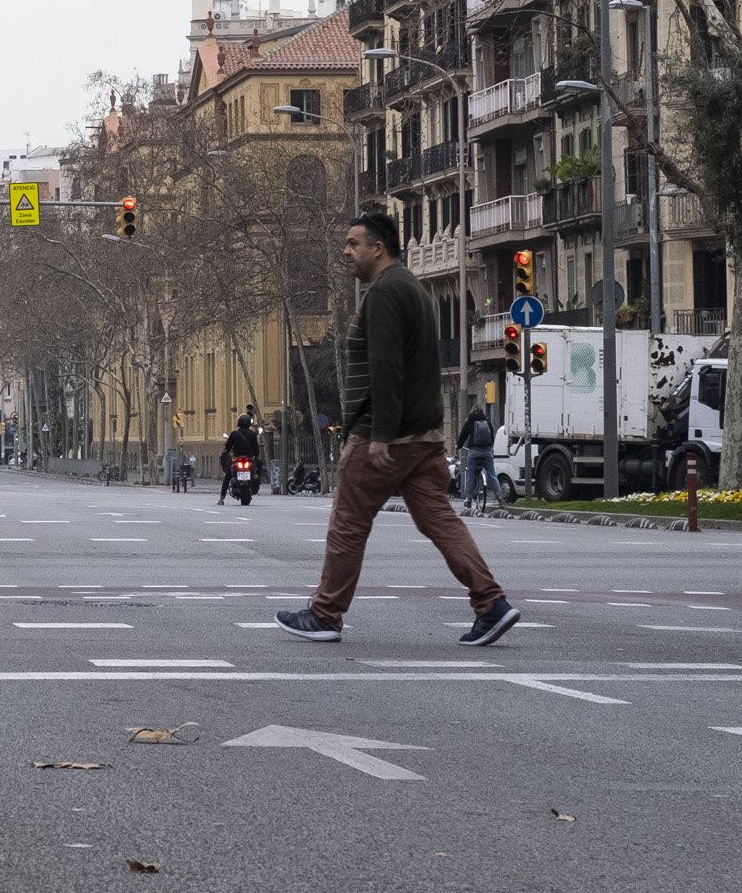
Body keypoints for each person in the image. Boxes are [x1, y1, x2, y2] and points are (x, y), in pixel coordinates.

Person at [280, 213, 521, 645]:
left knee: (348, 523)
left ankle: (325, 614)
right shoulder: (410, 287)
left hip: (387, 433)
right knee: (440, 521)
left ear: (378, 248)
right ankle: (491, 603)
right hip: (424, 434)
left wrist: (380, 435)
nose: (345, 251)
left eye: (353, 244)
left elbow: (387, 368)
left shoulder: (385, 294)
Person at [459, 403, 498, 509]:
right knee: (492, 474)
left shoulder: (470, 421)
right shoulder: (487, 421)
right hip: (487, 451)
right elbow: (492, 435)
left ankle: (469, 499)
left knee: (470, 474)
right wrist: (490, 447)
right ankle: (500, 498)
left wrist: (459, 445)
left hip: (474, 451)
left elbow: (463, 435)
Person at [222, 408, 264, 504]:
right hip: (249, 459)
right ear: (249, 423)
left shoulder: (234, 433)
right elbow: (256, 449)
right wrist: (255, 457)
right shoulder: (253, 434)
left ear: (239, 423)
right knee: (260, 464)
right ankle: (257, 476)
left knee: (227, 476)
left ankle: (222, 498)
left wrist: (226, 452)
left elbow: (228, 447)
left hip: (237, 459)